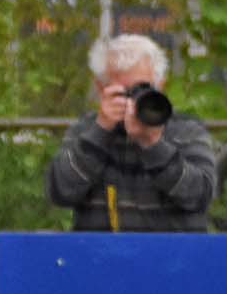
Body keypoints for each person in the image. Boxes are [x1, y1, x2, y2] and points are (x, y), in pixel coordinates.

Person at [46, 34, 217, 232]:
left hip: (172, 249)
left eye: (143, 90)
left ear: (161, 86)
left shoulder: (186, 130)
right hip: (103, 249)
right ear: (101, 88)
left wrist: (153, 145)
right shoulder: (85, 130)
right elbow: (61, 192)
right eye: (123, 92)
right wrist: (100, 132)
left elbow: (200, 196)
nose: (134, 101)